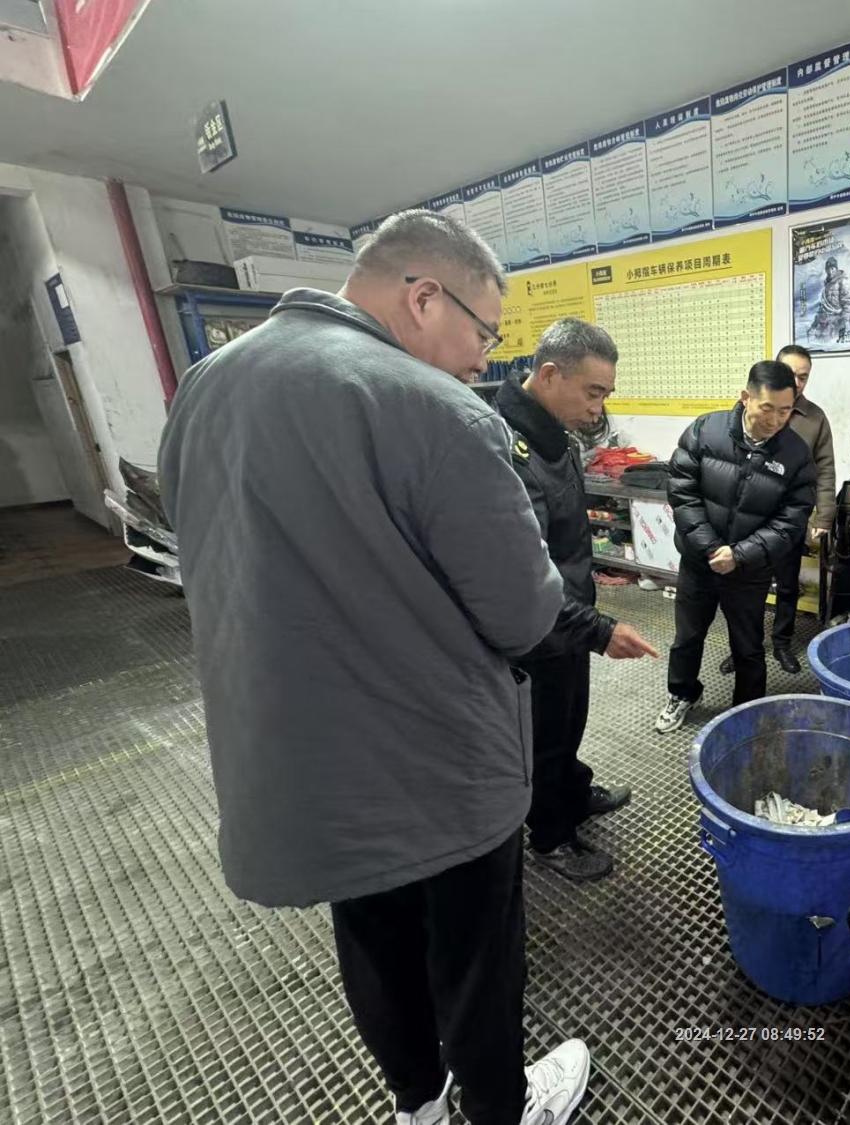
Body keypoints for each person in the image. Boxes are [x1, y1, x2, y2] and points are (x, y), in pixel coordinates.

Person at [158, 210, 591, 1125]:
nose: (484, 360)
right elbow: (522, 613)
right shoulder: (437, 410)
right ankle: (501, 1109)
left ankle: (417, 1105)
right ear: (424, 295)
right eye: (484, 333)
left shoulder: (207, 383)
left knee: (374, 940)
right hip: (438, 763)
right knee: (475, 955)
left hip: (303, 759)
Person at [496, 318, 658, 883]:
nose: (598, 409)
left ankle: (573, 790)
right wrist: (597, 629)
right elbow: (522, 574)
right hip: (538, 627)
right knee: (543, 734)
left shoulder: (557, 437)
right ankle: (550, 836)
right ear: (548, 375)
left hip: (570, 616)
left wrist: (586, 621)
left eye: (605, 394)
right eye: (592, 392)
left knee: (571, 719)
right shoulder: (506, 452)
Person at [654, 360, 816, 734]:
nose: (775, 420)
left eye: (785, 410)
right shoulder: (705, 430)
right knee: (687, 637)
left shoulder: (795, 453)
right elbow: (682, 492)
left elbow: (792, 520)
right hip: (699, 562)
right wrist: (711, 549)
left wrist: (740, 555)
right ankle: (682, 694)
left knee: (748, 646)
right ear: (746, 397)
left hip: (749, 569)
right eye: (767, 408)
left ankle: (747, 712)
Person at [718, 345, 835, 676]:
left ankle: (782, 643)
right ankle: (744, 647)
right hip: (750, 520)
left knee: (787, 586)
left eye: (803, 377)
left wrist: (824, 515)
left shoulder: (814, 418)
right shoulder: (751, 408)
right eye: (790, 373)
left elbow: (825, 468)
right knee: (745, 590)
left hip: (788, 520)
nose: (796, 382)